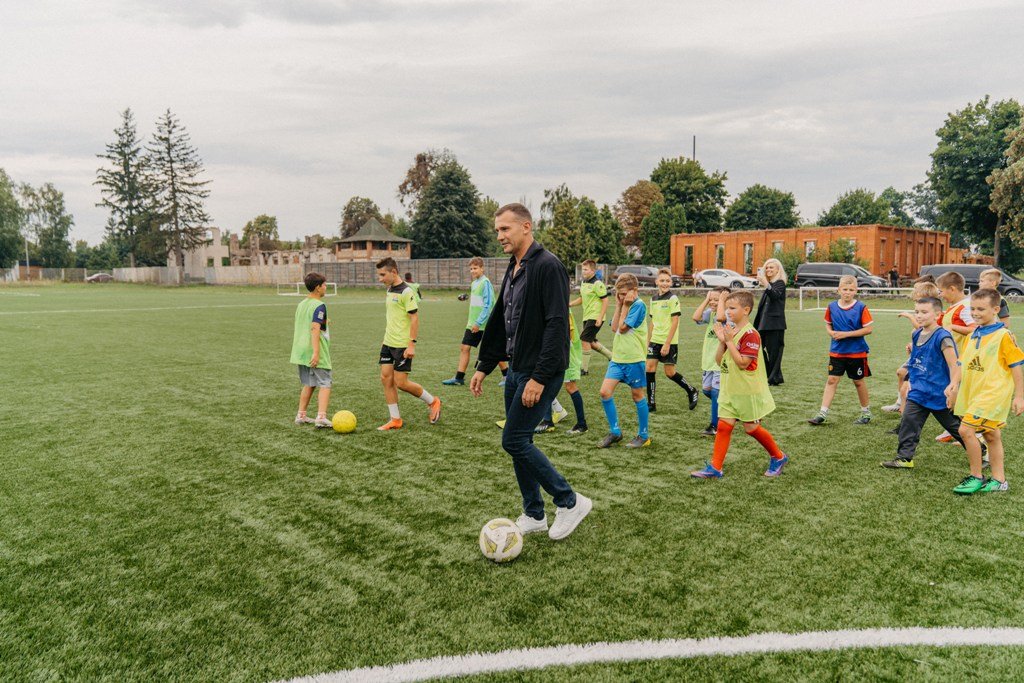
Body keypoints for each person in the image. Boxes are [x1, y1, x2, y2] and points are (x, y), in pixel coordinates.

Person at [470, 203, 592, 540]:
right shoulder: (515, 266)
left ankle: (569, 501)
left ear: (526, 227)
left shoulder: (548, 266)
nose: (500, 236)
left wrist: (539, 377)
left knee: (514, 439)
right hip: (517, 369)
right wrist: (484, 365)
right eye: (497, 230)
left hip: (540, 371)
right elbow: (501, 319)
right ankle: (534, 513)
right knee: (518, 440)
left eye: (505, 229)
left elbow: (556, 324)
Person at [691, 290, 788, 479]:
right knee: (724, 426)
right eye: (726, 308)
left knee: (751, 428)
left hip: (746, 391)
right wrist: (723, 342)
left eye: (732, 308)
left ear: (746, 310)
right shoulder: (730, 330)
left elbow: (743, 363)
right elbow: (719, 361)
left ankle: (778, 456)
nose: (727, 312)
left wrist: (729, 341)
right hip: (730, 388)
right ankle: (715, 467)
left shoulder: (750, 334)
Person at [950, 288, 1024, 494]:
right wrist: (954, 385)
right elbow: (962, 361)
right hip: (973, 391)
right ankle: (1000, 481)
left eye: (981, 309)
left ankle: (976, 477)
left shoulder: (1004, 336)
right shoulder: (974, 332)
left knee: (965, 430)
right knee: (991, 434)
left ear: (995, 309)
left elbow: (1016, 365)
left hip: (993, 393)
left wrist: (1019, 395)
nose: (975, 313)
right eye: (972, 308)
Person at [881, 297, 969, 469]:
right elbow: (920, 358)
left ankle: (981, 452)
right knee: (909, 421)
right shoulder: (916, 334)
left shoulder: (943, 336)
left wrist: (953, 389)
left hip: (939, 393)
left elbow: (954, 364)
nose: (919, 316)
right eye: (917, 312)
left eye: (924, 312)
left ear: (937, 314)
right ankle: (905, 458)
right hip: (919, 390)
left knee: (956, 428)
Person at [376, 257, 442, 430]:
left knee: (401, 383)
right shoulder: (390, 289)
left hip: (402, 345)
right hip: (388, 342)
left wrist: (411, 344)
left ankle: (433, 401)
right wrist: (385, 338)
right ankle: (395, 419)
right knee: (385, 378)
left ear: (394, 272)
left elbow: (414, 318)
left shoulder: (407, 291)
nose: (380, 278)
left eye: (383, 274)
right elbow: (393, 316)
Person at [807, 275, 874, 426]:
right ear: (838, 290)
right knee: (832, 380)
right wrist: (831, 333)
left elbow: (868, 329)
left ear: (856, 291)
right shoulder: (831, 307)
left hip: (857, 352)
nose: (847, 292)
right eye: (845, 289)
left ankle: (866, 412)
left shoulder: (861, 307)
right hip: (837, 351)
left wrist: (846, 334)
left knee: (858, 381)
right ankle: (822, 413)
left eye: (851, 290)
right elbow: (828, 325)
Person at [597, 273, 651, 449]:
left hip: (634, 358)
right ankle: (615, 432)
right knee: (605, 392)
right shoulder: (623, 303)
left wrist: (625, 305)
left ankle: (643, 435)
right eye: (618, 294)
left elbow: (622, 327)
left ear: (634, 291)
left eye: (624, 293)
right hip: (618, 358)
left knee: (637, 396)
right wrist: (619, 304)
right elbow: (614, 328)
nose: (621, 296)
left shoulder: (639, 306)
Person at [882, 279, 942, 422]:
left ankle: (905, 418)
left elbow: (925, 332)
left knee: (912, 389)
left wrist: (909, 317)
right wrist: (913, 346)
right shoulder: (926, 314)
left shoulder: (935, 318)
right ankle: (903, 414)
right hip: (918, 355)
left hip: (928, 359)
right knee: (902, 376)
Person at [443, 257, 508, 386]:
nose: (473, 271)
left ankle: (507, 376)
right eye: (471, 268)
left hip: (484, 324)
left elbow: (488, 305)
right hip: (473, 323)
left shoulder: (486, 283)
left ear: (482, 268)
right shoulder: (474, 283)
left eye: (475, 268)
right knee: (464, 347)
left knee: (493, 350)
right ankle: (459, 378)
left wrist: (479, 322)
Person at [645, 268, 699, 412]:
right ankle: (651, 403)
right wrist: (648, 341)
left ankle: (691, 390)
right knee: (649, 368)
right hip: (654, 340)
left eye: (667, 281)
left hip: (669, 341)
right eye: (662, 280)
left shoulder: (672, 299)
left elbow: (675, 321)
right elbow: (652, 322)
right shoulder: (653, 299)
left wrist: (667, 343)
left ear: (671, 283)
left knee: (669, 372)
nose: (664, 283)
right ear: (656, 282)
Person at [934, 271, 976, 443]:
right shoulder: (954, 307)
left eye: (941, 291)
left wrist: (953, 327)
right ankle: (952, 429)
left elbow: (975, 329)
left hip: (962, 360)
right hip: (951, 359)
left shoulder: (965, 307)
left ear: (952, 289)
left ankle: (971, 433)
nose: (940, 295)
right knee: (951, 394)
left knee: (959, 396)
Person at [534, 304, 588, 435]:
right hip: (554, 352)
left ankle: (582, 424)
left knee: (570, 386)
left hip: (566, 353)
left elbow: (570, 330)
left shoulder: (562, 306)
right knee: (545, 383)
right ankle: (548, 421)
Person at [290, 271, 333, 428]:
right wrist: (316, 352)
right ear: (317, 288)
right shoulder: (319, 305)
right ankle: (321, 417)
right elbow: (315, 328)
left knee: (309, 383)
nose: (326, 287)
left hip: (300, 351)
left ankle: (301, 415)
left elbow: (309, 322)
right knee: (325, 382)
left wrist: (325, 322)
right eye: (324, 285)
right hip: (313, 351)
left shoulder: (302, 304)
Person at [693, 286, 731, 436]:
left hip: (720, 361)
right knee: (707, 390)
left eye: (717, 299)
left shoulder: (727, 314)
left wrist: (721, 301)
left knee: (716, 392)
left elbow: (721, 318)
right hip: (708, 361)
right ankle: (729, 408)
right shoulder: (710, 313)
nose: (713, 302)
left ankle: (715, 425)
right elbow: (696, 317)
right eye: (712, 299)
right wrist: (706, 299)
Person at [570, 259, 612, 374]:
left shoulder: (598, 284)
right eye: (582, 269)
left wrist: (600, 317)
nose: (583, 271)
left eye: (586, 269)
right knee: (591, 342)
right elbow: (582, 298)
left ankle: (584, 369)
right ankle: (611, 356)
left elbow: (605, 301)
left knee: (584, 340)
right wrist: (570, 304)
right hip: (587, 316)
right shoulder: (584, 283)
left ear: (593, 270)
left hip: (595, 316)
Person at [753, 257, 787, 386]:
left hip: (774, 324)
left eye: (771, 267)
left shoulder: (780, 283)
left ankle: (773, 378)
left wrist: (765, 284)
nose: (768, 269)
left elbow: (775, 295)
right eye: (766, 267)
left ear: (778, 269)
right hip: (763, 324)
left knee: (774, 353)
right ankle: (770, 375)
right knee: (757, 349)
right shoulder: (771, 285)